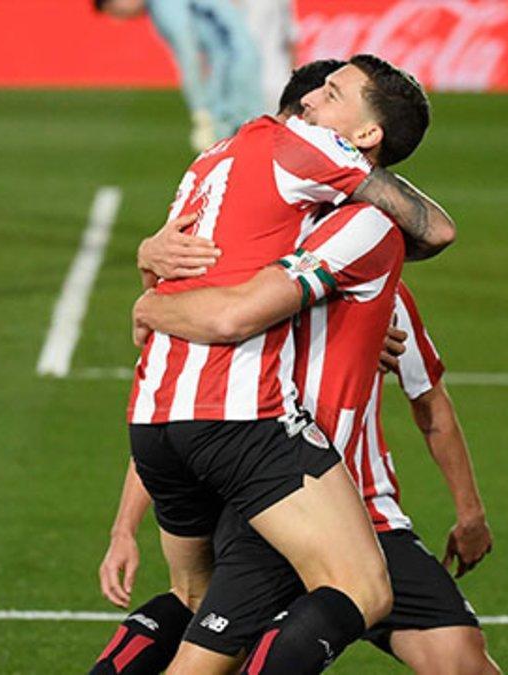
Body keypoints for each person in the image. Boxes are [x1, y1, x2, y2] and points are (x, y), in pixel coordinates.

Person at [106, 55, 455, 675]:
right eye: (320, 89)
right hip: (242, 422)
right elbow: (434, 229)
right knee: (363, 590)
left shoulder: (215, 160)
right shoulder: (322, 170)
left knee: (195, 605)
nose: (317, 99)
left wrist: (145, 284)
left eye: (335, 91)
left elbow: (177, 272)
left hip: (155, 419)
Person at [94, 0, 265, 150]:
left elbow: (188, 55)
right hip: (240, 58)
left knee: (234, 144)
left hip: (234, 66)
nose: (122, 16)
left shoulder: (162, 5)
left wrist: (201, 112)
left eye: (117, 10)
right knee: (248, 140)